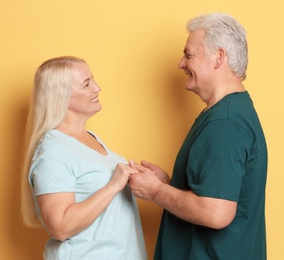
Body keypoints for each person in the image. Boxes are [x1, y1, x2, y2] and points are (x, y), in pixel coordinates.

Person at [128, 13, 268, 259]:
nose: (181, 63)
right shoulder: (224, 114)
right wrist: (168, 185)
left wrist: (155, 191)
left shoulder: (226, 122)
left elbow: (216, 212)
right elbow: (212, 193)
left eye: (189, 55)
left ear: (218, 57)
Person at [20, 56, 147, 259]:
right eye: (87, 84)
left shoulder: (91, 139)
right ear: (62, 97)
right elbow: (60, 227)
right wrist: (113, 185)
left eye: (92, 80)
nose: (97, 88)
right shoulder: (53, 150)